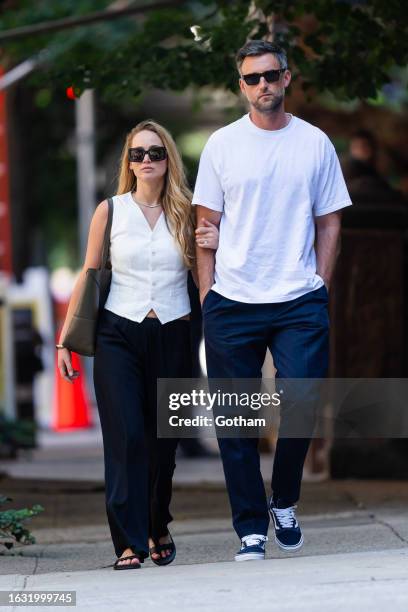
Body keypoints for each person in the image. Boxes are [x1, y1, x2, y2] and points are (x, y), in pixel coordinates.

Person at [193, 40, 352, 561]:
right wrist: (207, 293)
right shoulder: (222, 145)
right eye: (252, 78)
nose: (263, 85)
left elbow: (329, 219)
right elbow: (204, 225)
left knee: (302, 401)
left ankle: (283, 499)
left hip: (298, 298)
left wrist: (321, 284)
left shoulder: (315, 143)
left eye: (271, 75)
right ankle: (250, 528)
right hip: (232, 299)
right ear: (241, 86)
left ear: (287, 78)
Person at [57, 120, 219, 569]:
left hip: (174, 333)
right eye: (137, 153)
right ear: (127, 161)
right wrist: (65, 341)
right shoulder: (110, 211)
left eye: (155, 152)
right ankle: (129, 540)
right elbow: (89, 274)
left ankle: (156, 522)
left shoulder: (188, 211)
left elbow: (207, 274)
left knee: (164, 443)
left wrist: (216, 244)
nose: (146, 160)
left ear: (169, 158)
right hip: (118, 333)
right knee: (127, 437)